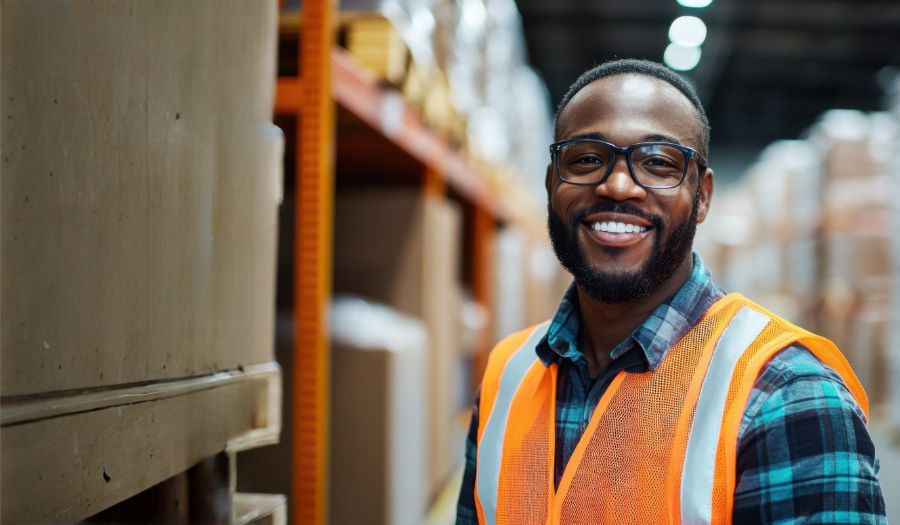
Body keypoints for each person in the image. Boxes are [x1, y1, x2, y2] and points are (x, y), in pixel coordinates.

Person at [455, 59, 886, 524]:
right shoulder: (507, 375)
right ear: (550, 183)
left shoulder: (789, 396)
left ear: (702, 197)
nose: (617, 185)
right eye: (585, 159)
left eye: (658, 163)